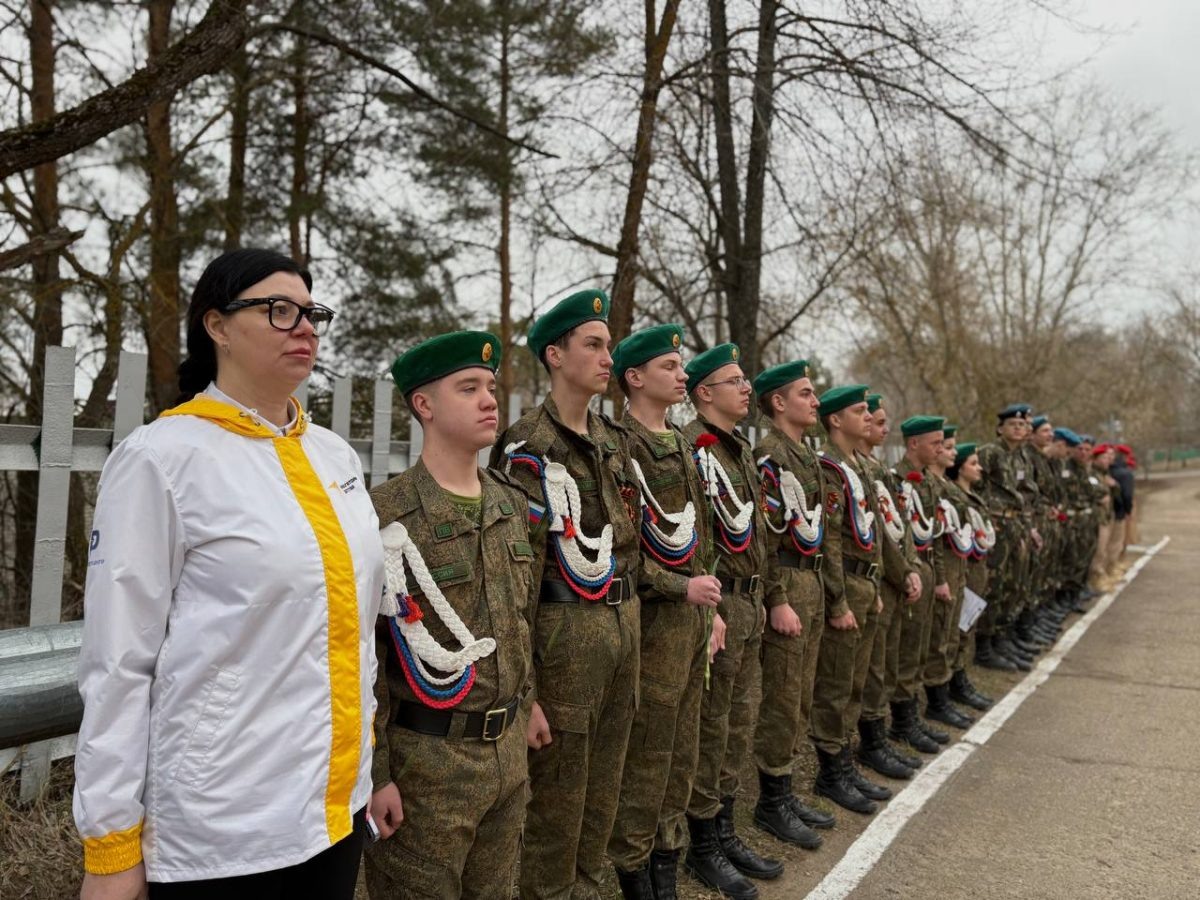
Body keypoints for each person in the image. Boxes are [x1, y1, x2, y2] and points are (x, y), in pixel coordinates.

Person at [74, 248, 383, 899]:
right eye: (279, 310)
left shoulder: (334, 457)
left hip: (334, 812)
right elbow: (117, 663)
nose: (305, 327)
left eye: (312, 312)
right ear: (216, 325)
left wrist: (366, 768)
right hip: (224, 830)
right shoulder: (161, 458)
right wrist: (111, 845)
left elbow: (354, 637)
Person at [365, 332, 535, 899]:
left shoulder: (510, 502)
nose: (489, 399)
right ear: (424, 405)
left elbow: (520, 621)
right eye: (468, 388)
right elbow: (366, 658)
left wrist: (528, 707)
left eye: (490, 386)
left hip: (507, 754)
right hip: (427, 769)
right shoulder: (385, 514)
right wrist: (377, 776)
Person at [490, 289, 641, 899]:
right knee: (558, 799)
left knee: (604, 789)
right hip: (565, 639)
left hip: (621, 627)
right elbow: (517, 577)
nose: (608, 358)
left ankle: (585, 887)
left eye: (609, 346)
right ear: (555, 355)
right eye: (594, 345)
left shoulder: (611, 439)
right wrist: (526, 690)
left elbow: (629, 543)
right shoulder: (528, 447)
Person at [607, 325, 721, 900]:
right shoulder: (620, 447)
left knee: (682, 748)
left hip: (693, 623)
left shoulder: (680, 442)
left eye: (681, 366)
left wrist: (712, 608)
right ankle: (634, 868)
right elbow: (621, 552)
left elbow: (699, 535)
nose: (683, 375)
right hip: (652, 625)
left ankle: (666, 859)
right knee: (648, 752)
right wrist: (680, 587)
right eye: (670, 367)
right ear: (634, 377)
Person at [682, 344, 780, 900]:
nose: (747, 388)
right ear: (704, 393)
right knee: (713, 724)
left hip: (749, 603)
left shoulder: (736, 449)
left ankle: (724, 829)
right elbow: (696, 537)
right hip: (719, 606)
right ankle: (703, 842)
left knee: (739, 721)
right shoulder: (695, 450)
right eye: (734, 381)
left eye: (746, 380)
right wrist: (713, 610)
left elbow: (756, 536)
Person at [751, 361, 839, 846]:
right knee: (783, 696)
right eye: (805, 393)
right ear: (779, 402)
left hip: (812, 581)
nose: (815, 401)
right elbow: (764, 539)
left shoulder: (806, 455)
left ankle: (785, 792)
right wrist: (777, 598)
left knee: (801, 692)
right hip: (786, 579)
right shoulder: (770, 456)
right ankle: (771, 799)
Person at [810, 385, 898, 814]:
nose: (868, 417)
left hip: (865, 583)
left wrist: (876, 588)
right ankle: (831, 770)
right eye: (859, 411)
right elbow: (829, 541)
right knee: (836, 684)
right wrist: (838, 601)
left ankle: (844, 762)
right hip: (844, 584)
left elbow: (873, 533)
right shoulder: (830, 467)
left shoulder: (858, 466)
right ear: (835, 420)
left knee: (855, 683)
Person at [855, 394, 924, 779]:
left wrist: (908, 568)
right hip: (876, 577)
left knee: (888, 658)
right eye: (874, 420)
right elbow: (877, 532)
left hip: (891, 576)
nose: (879, 427)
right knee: (873, 667)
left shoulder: (877, 469)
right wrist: (902, 572)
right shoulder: (856, 468)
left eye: (880, 421)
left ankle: (884, 734)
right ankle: (871, 741)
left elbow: (899, 526)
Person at [889, 415, 951, 754]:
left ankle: (912, 714)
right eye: (935, 443)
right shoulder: (896, 480)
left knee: (923, 643)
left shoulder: (929, 482)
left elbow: (935, 535)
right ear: (914, 444)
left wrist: (939, 578)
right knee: (907, 648)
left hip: (926, 567)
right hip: (909, 570)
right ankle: (902, 720)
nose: (940, 449)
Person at [976, 405, 1038, 672]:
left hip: (1015, 525)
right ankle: (984, 646)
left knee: (1013, 583)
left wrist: (1029, 528)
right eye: (1012, 424)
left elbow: (1026, 496)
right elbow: (974, 488)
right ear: (1000, 428)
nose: (1018, 428)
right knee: (994, 585)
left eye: (1022, 425)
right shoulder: (989, 453)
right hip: (996, 526)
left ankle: (1003, 638)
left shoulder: (1021, 457)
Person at [921, 424, 975, 730]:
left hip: (956, 566)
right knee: (939, 636)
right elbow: (935, 539)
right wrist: (940, 576)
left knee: (953, 631)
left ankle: (951, 687)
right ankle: (937, 700)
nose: (947, 451)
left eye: (950, 446)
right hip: (941, 568)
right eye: (943, 445)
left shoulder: (944, 485)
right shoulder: (930, 484)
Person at [946, 442, 995, 710]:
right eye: (973, 463)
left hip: (976, 566)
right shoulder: (955, 495)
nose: (980, 468)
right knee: (959, 628)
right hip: (963, 566)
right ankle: (955, 682)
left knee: (968, 624)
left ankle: (960, 677)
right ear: (960, 468)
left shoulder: (971, 495)